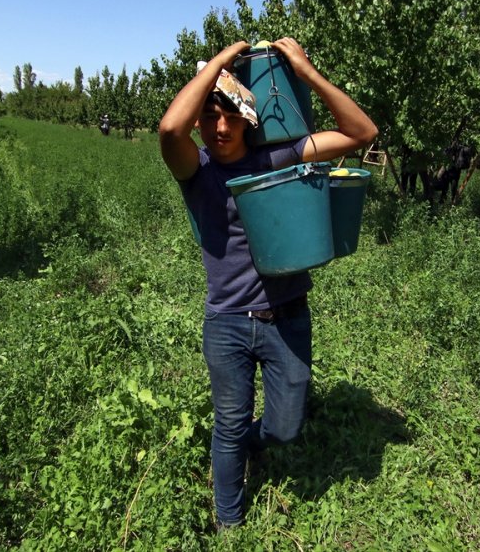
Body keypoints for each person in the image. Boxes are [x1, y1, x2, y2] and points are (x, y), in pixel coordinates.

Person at [158, 38, 378, 528]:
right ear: (201, 121)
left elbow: (361, 132)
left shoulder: (280, 158)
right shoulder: (198, 172)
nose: (220, 127)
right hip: (229, 323)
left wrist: (305, 71)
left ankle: (255, 445)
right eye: (211, 116)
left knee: (284, 427)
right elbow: (170, 126)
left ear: (248, 120)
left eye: (231, 116)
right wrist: (218, 66)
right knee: (230, 424)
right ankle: (229, 522)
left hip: (288, 316)